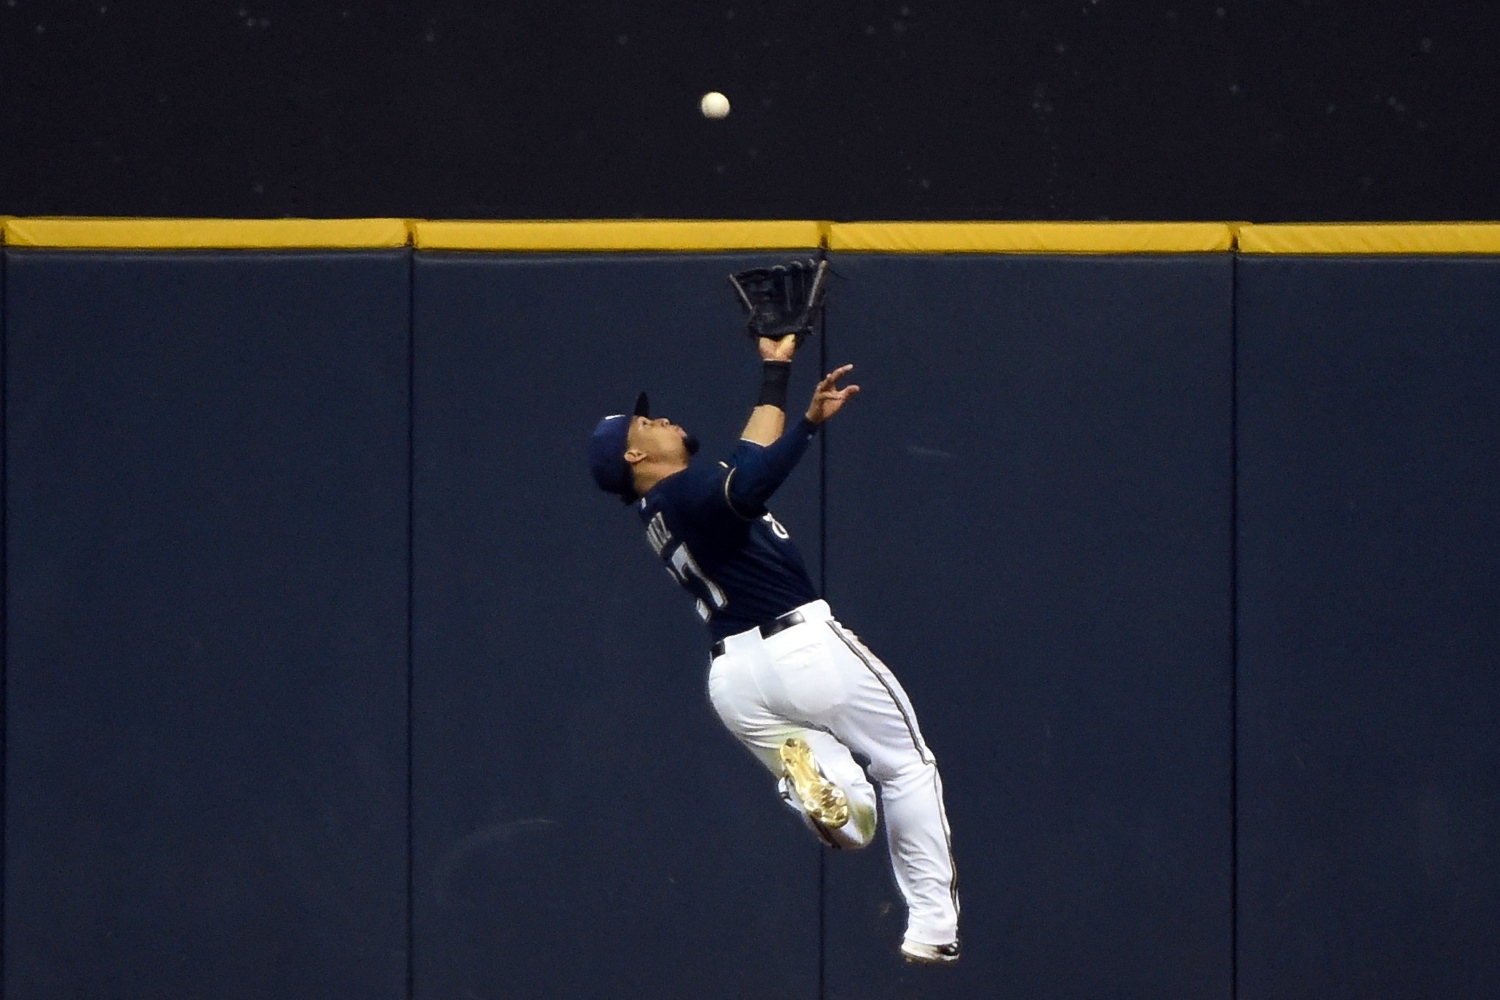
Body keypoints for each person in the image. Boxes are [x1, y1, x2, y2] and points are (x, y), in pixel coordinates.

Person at [588, 333, 960, 964]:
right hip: (799, 646)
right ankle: (931, 926)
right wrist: (810, 424)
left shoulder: (662, 509)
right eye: (647, 422)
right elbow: (749, 482)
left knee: (856, 823)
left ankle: (812, 792)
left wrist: (775, 369)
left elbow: (750, 448)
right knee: (906, 765)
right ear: (634, 452)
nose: (663, 418)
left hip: (736, 679)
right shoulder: (689, 494)